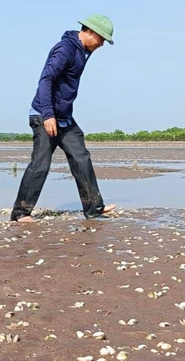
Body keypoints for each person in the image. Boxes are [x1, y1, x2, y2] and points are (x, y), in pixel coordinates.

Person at [10, 14, 117, 223]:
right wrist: (48, 115)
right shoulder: (65, 49)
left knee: (81, 158)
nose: (102, 44)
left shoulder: (84, 51)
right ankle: (20, 213)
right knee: (40, 164)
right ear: (90, 31)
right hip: (44, 115)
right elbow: (46, 79)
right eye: (101, 39)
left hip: (65, 118)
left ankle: (94, 208)